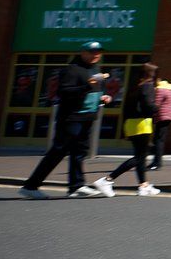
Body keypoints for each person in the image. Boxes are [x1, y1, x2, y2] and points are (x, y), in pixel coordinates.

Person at [20, 43, 113, 198]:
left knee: (79, 152)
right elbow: (64, 92)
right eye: (92, 52)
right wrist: (87, 86)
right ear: (83, 52)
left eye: (98, 52)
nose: (96, 55)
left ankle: (76, 186)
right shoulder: (72, 69)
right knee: (58, 151)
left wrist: (104, 97)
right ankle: (31, 186)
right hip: (71, 118)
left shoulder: (95, 69)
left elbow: (97, 90)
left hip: (87, 117)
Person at [97, 62, 163, 196]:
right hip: (142, 124)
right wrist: (157, 107)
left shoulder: (134, 86)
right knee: (140, 157)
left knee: (140, 156)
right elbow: (148, 105)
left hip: (131, 124)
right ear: (153, 75)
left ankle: (143, 186)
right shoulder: (148, 86)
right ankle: (108, 179)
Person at [148, 70, 171, 170]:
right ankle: (156, 162)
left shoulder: (160, 90)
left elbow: (156, 104)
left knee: (158, 140)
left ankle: (157, 162)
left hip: (162, 116)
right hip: (169, 116)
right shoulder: (169, 89)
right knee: (159, 139)